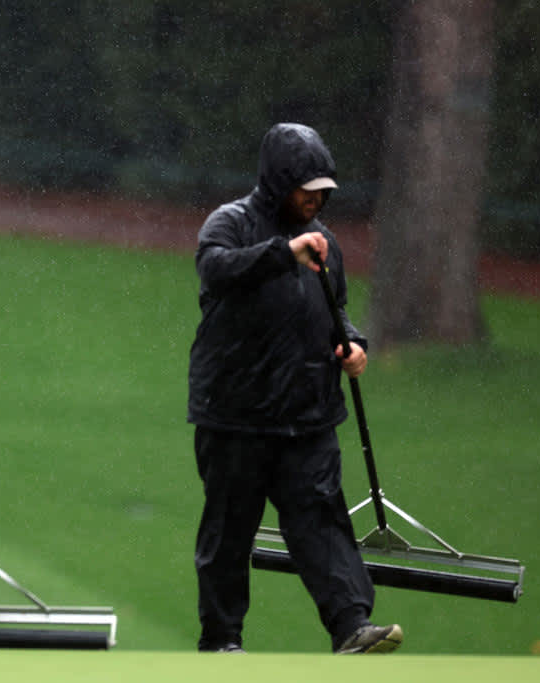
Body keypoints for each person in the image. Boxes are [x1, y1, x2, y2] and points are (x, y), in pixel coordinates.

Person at [187, 123, 403, 654]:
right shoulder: (231, 223)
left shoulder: (326, 243)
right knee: (228, 535)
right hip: (235, 415)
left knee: (322, 523)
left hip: (307, 415)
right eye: (305, 187)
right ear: (279, 180)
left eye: (322, 188)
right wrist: (284, 253)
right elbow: (216, 270)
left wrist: (351, 344)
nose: (315, 197)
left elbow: (335, 312)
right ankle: (221, 643)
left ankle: (351, 627)